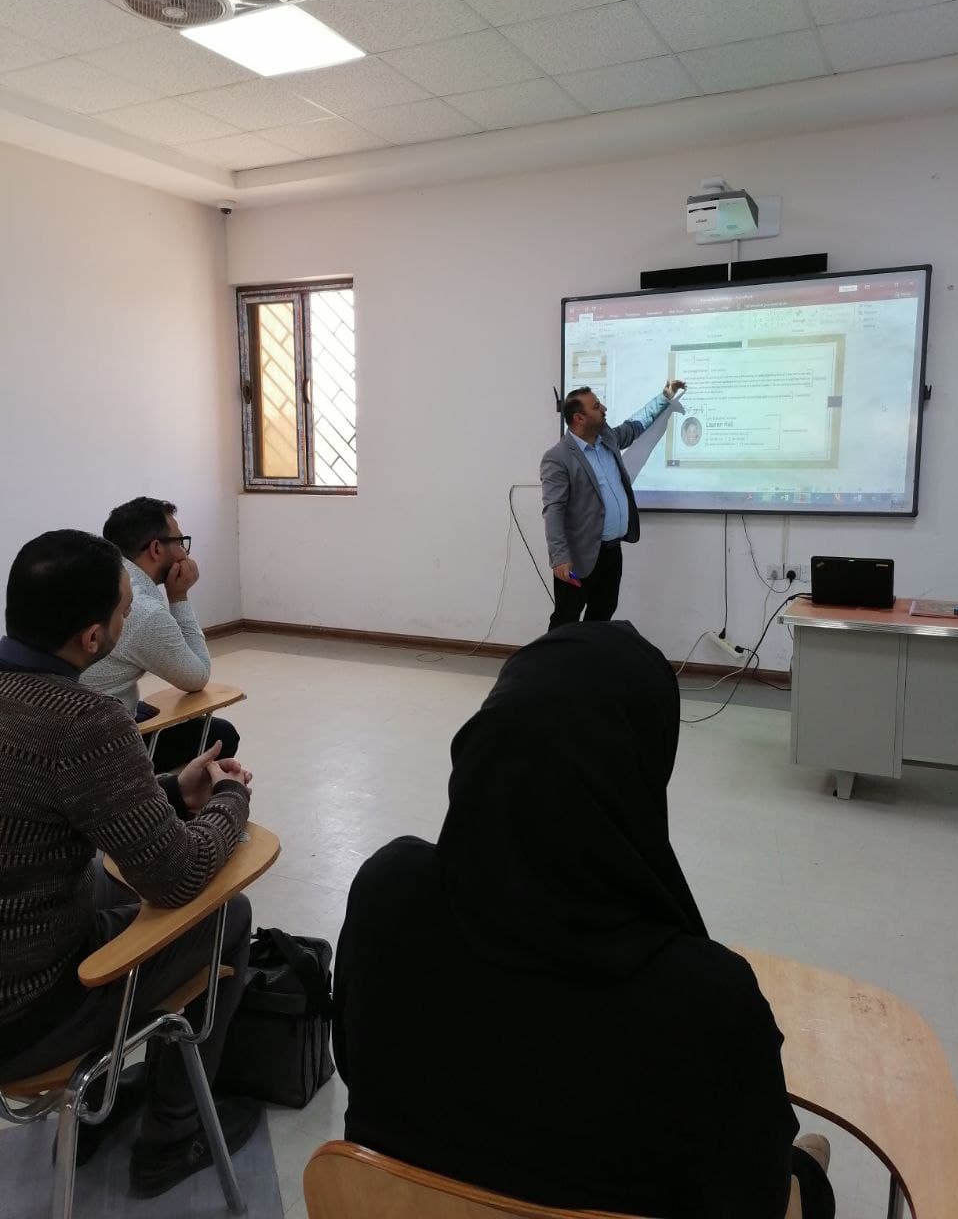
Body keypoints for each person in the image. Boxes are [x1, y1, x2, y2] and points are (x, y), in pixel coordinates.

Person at [333, 622, 835, 1219]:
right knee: (807, 1164)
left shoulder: (386, 896)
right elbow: (756, 1201)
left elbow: (356, 1066)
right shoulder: (708, 1003)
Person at [0, 530, 258, 1196]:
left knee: (103, 880)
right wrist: (228, 800)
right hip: (26, 1017)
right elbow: (177, 877)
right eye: (123, 611)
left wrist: (167, 790)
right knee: (228, 913)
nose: (128, 620)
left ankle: (100, 1106)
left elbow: (48, 808)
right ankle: (172, 1136)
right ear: (93, 638)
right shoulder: (82, 719)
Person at [82, 497, 239, 770]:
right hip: (102, 743)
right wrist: (179, 597)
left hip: (69, 719)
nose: (184, 553)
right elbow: (196, 676)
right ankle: (168, 793)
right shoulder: (142, 609)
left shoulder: (91, 578)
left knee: (148, 708)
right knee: (221, 734)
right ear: (156, 548)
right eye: (180, 542)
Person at [540, 382, 685, 629]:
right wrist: (559, 558)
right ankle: (555, 657)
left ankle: (591, 655)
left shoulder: (607, 439)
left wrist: (664, 397)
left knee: (602, 614)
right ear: (579, 418)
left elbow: (634, 426)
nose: (604, 409)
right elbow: (553, 510)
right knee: (566, 619)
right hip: (578, 557)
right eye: (596, 406)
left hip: (611, 552)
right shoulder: (558, 457)